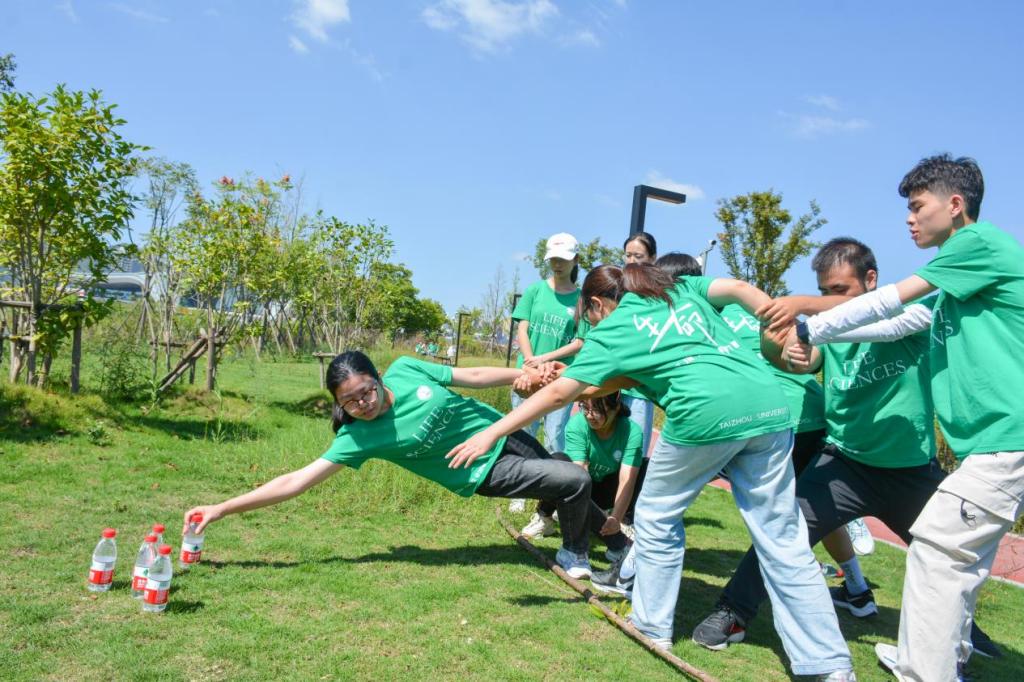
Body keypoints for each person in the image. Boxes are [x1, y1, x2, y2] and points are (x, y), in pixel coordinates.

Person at [448, 264, 855, 679]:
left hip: (703, 412)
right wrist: (781, 328)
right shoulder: (676, 289)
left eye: (589, 320)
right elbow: (735, 289)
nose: (592, 328)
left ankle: (652, 626)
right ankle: (829, 665)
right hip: (769, 406)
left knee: (657, 516)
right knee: (783, 538)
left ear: (596, 304)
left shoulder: (613, 328)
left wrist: (491, 433)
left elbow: (560, 395)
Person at [773, 155, 1023, 681]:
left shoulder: (976, 245)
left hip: (1007, 437)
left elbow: (889, 300)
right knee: (957, 560)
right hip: (993, 442)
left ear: (955, 205)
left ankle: (925, 672)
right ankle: (935, 659)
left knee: (936, 550)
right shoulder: (959, 278)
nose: (909, 219)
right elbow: (897, 323)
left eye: (917, 206)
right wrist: (819, 332)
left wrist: (805, 320)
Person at [689, 238, 994, 659]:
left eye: (839, 290)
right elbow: (798, 360)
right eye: (824, 290)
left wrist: (804, 305)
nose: (830, 300)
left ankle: (964, 632)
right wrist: (775, 341)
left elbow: (881, 315)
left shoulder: (906, 320)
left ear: (871, 280)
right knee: (782, 533)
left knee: (948, 558)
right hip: (842, 466)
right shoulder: (830, 331)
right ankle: (733, 612)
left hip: (910, 471)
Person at [181, 351, 629, 580]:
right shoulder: (358, 437)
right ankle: (574, 553)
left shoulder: (407, 370)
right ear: (338, 404)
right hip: (481, 471)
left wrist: (523, 374)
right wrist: (221, 508)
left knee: (560, 473)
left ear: (379, 378)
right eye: (350, 401)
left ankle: (618, 546)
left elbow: (471, 376)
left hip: (501, 432)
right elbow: (296, 481)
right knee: (572, 477)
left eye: (367, 391)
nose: (363, 403)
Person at [507, 232, 588, 513]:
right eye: (553, 259)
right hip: (527, 375)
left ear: (575, 260)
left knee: (555, 436)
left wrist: (546, 358)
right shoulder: (535, 291)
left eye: (563, 259)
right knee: (522, 432)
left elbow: (579, 341)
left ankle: (550, 498)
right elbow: (522, 328)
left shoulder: (581, 299)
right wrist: (531, 361)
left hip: (559, 378)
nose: (557, 264)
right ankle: (518, 491)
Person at [520, 391, 644, 553]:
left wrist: (615, 517)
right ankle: (545, 517)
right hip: (583, 487)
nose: (589, 415)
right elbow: (579, 477)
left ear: (615, 408)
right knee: (558, 461)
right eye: (585, 407)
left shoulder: (632, 431)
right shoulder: (577, 424)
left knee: (644, 467)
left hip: (608, 490)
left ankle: (623, 523)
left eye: (597, 410)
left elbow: (627, 479)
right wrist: (586, 518)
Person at [620, 231, 659, 457]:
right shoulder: (618, 289)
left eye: (638, 256)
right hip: (611, 386)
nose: (632, 261)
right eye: (628, 255)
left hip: (639, 389)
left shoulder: (658, 294)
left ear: (653, 259)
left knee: (634, 455)